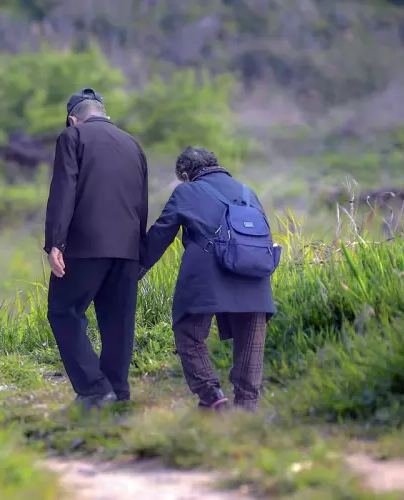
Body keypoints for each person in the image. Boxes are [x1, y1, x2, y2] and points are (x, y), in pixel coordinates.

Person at [139, 146, 276, 412]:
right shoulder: (247, 192)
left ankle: (212, 396)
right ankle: (247, 406)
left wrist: (133, 271)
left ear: (185, 175)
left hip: (206, 273)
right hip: (255, 273)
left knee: (188, 331)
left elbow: (160, 235)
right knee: (251, 336)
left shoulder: (187, 191)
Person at [43, 88, 149, 408]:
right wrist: (138, 249)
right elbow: (141, 201)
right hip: (127, 248)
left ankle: (94, 389)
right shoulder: (132, 144)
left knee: (64, 310)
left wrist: (55, 242)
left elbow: (64, 190)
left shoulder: (73, 136)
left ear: (73, 119)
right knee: (118, 321)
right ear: (103, 113)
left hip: (85, 246)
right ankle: (118, 393)